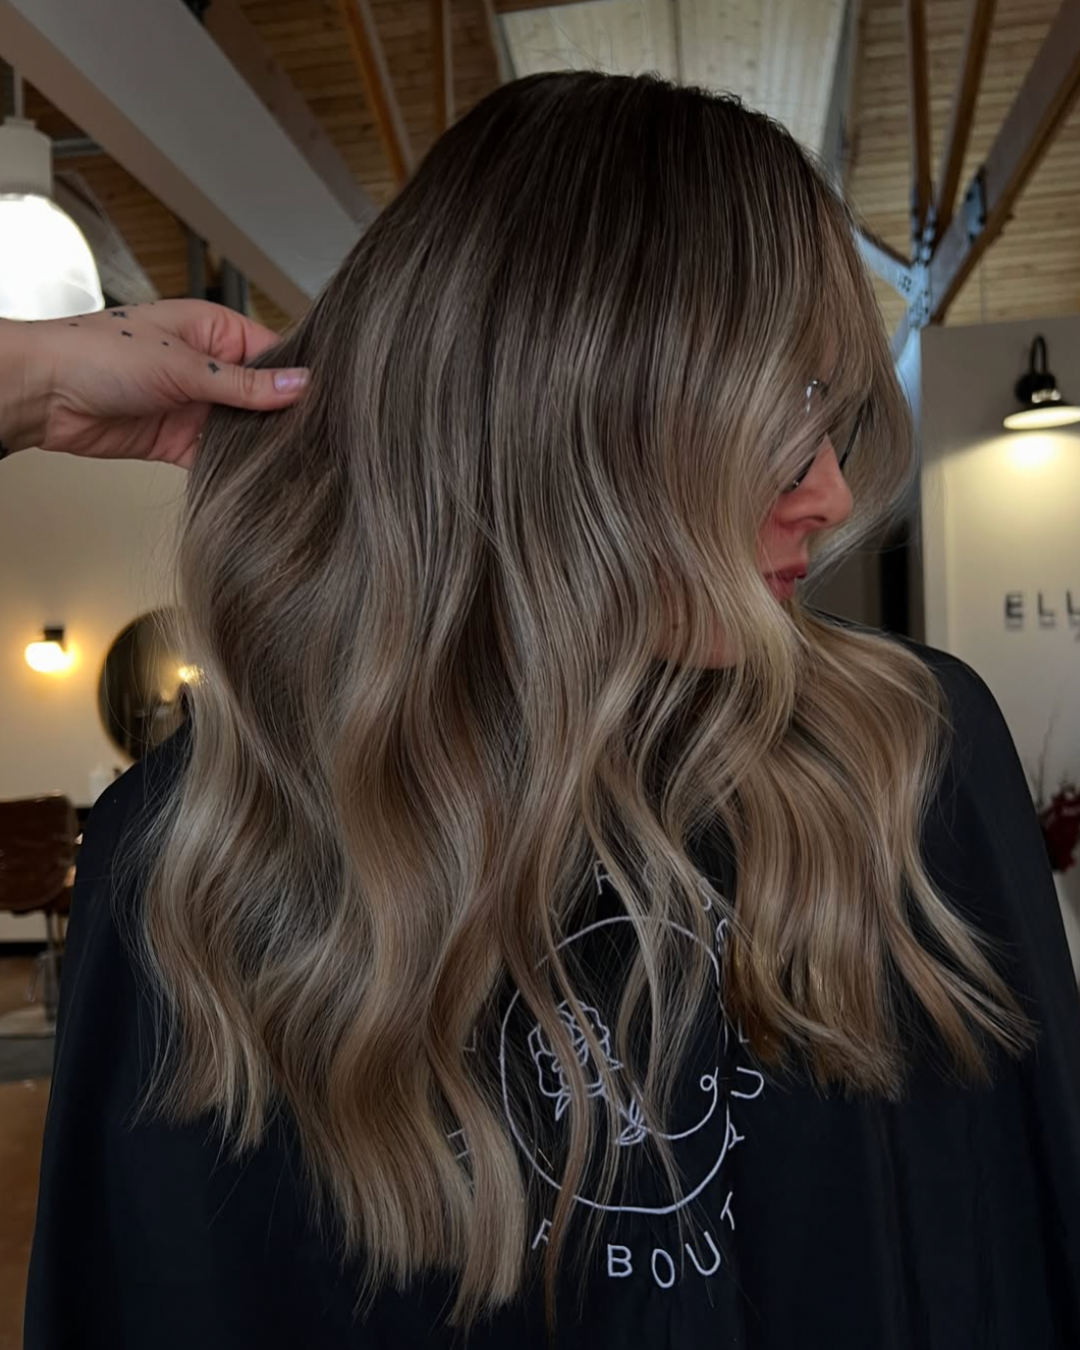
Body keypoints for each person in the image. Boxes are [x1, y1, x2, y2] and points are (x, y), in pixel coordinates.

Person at [10, 71, 1080, 1350]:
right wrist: (24, 382)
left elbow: (1025, 1243)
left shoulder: (902, 757)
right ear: (568, 416)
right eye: (781, 416)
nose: (834, 494)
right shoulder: (197, 858)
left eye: (829, 415)